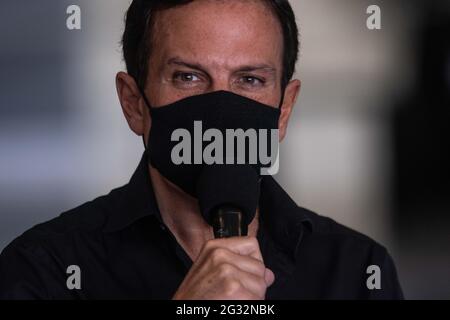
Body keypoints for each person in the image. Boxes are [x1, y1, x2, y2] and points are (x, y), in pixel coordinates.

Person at [0, 0, 403, 299]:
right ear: (134, 103)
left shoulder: (356, 272)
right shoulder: (44, 270)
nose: (221, 109)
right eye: (188, 76)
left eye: (249, 80)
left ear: (284, 110)